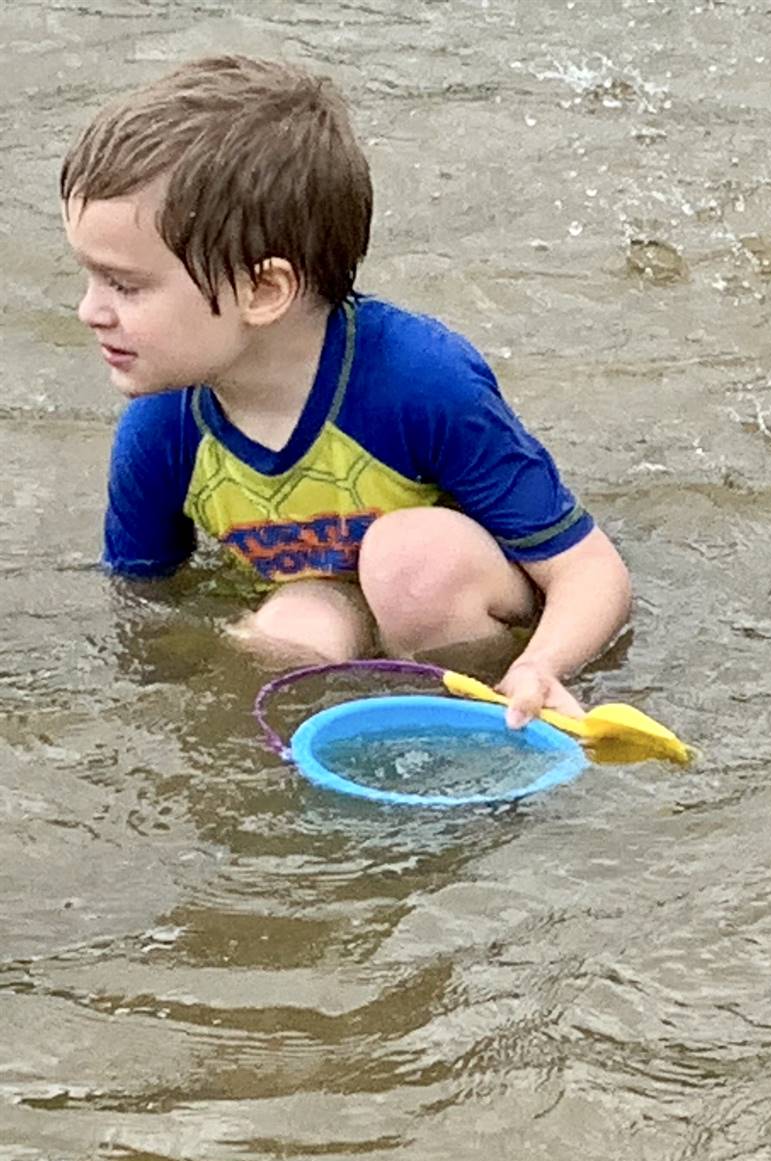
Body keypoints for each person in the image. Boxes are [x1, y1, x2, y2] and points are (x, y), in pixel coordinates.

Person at [61, 56, 632, 725]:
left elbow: (591, 572)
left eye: (124, 285)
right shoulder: (162, 429)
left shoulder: (419, 383)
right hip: (325, 594)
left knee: (412, 565)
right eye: (91, 279)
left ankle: (469, 724)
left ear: (263, 290)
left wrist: (542, 665)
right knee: (284, 636)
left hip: (456, 587)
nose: (88, 311)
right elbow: (144, 606)